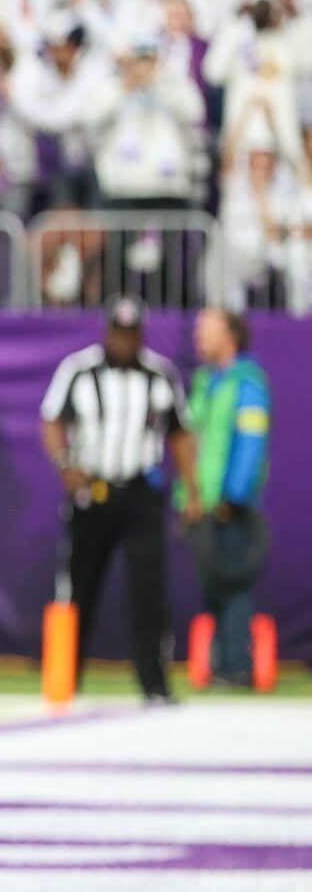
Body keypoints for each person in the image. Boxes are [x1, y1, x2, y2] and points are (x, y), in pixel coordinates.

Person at [40, 300, 198, 701]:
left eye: (131, 335)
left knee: (149, 589)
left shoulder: (160, 374)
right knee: (79, 586)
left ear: (140, 336)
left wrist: (192, 490)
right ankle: (65, 677)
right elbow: (51, 419)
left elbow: (180, 433)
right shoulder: (78, 370)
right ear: (105, 332)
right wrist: (64, 464)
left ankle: (154, 683)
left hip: (141, 490)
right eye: (118, 334)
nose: (124, 343)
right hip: (92, 489)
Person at [177, 308, 272, 688]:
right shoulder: (205, 381)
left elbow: (251, 441)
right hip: (203, 503)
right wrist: (191, 496)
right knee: (212, 586)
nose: (198, 337)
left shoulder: (248, 384)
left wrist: (234, 495)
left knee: (233, 585)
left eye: (207, 330)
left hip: (231, 506)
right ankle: (219, 663)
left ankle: (237, 667)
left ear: (230, 335)